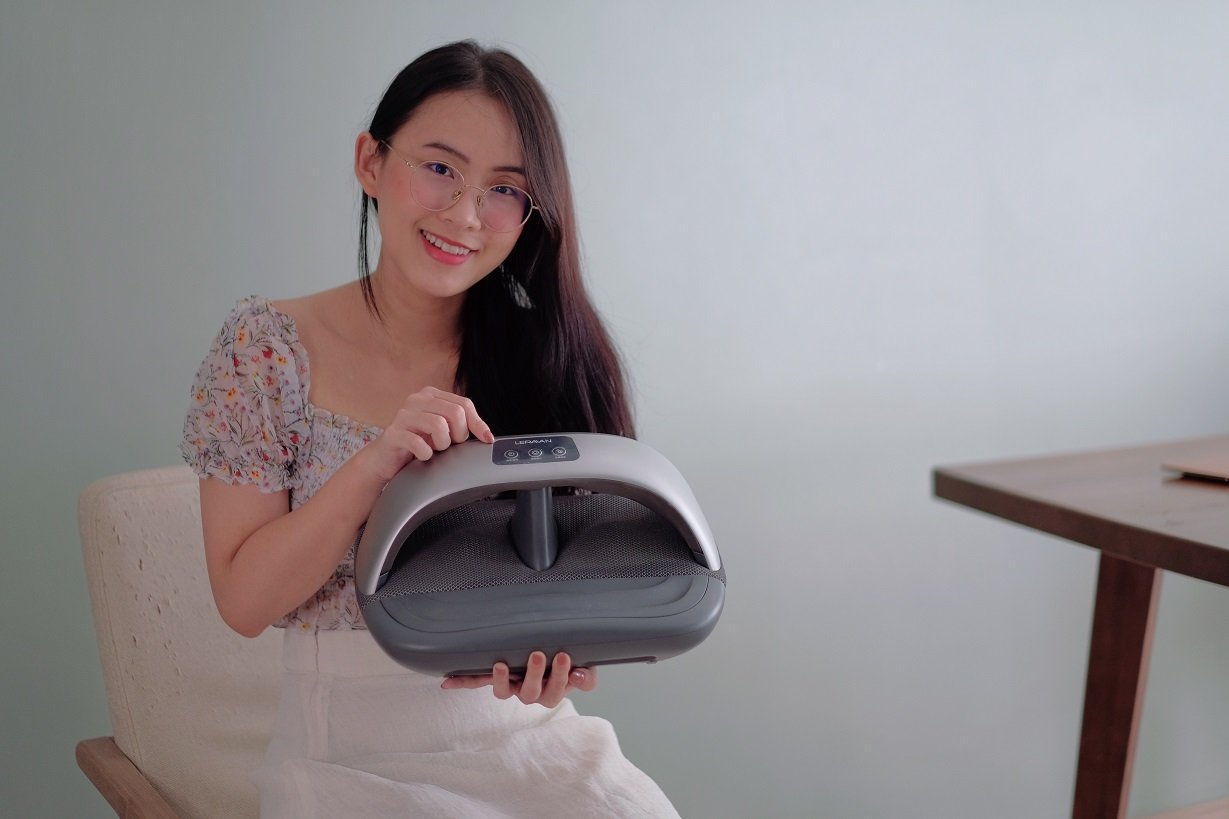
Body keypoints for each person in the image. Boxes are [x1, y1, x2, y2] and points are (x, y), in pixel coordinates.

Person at [180, 40, 679, 818]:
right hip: (344, 751)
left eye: (504, 189)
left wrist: (555, 657)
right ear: (370, 162)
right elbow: (243, 600)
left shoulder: (550, 356)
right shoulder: (266, 348)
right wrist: (376, 465)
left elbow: (579, 584)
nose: (465, 215)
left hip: (531, 741)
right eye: (440, 167)